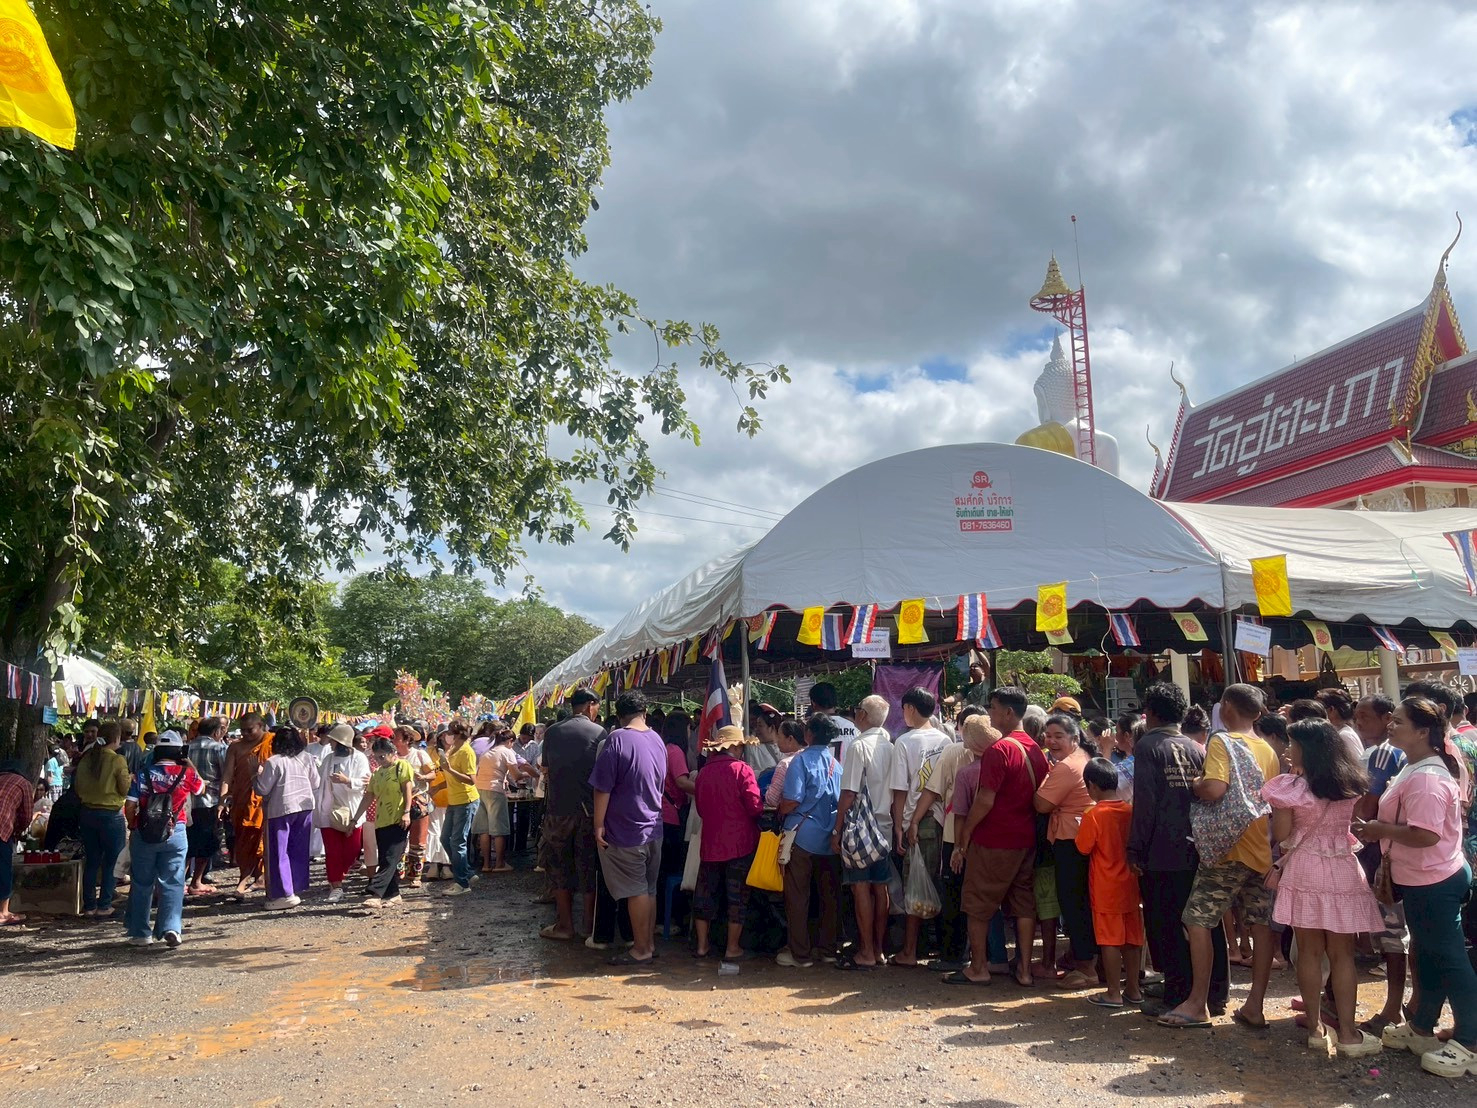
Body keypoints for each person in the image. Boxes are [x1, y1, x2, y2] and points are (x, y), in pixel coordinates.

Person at [1357, 697, 1477, 1078]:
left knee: (1450, 959)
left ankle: (1472, 1042)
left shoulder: (1426, 777)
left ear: (1424, 731)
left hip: (1435, 879)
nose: (1391, 726)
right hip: (1424, 878)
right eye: (1391, 720)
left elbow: (1425, 835)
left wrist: (1379, 830)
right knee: (1427, 955)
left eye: (1399, 722)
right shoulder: (1416, 766)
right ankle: (1422, 1026)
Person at [1161, 683, 1280, 1030]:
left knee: (1197, 918)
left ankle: (1197, 1002)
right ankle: (1255, 1004)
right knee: (1260, 923)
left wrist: (1195, 783)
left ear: (1226, 707)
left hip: (1227, 849)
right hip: (1259, 846)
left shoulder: (1221, 741)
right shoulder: (1267, 749)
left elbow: (1214, 789)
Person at [1263, 719, 1384, 1058]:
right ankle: (1348, 1033)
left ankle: (1316, 1028)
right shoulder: (1351, 784)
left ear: (1307, 749)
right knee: (1343, 954)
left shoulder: (1290, 788)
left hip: (1304, 870)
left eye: (1293, 744)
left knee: (1310, 952)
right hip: (1343, 866)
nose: (1288, 750)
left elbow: (1284, 836)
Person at [1127, 682, 1221, 1019]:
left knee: (1166, 922)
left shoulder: (1148, 746)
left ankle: (1177, 992)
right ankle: (1213, 990)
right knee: (1201, 922)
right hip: (1196, 846)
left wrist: (1135, 848)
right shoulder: (1196, 748)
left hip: (1161, 848)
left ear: (1149, 713)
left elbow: (1145, 803)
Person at [948, 687, 1050, 987]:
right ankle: (1025, 971)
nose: (988, 714)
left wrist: (964, 836)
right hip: (1026, 838)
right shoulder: (1034, 748)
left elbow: (984, 800)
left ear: (1008, 712)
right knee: (1024, 904)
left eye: (992, 708)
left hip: (994, 839)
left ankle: (978, 968)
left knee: (978, 904)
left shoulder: (999, 750)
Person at [916, 708, 998, 972]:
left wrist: (913, 822)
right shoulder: (1000, 759)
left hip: (955, 836)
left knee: (954, 894)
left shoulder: (955, 756)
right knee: (983, 896)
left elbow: (933, 790)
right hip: (988, 838)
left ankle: (953, 954)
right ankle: (987, 956)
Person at [589, 691, 667, 966]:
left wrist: (598, 825)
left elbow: (603, 787)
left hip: (627, 829)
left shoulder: (617, 739)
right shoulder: (657, 739)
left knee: (636, 891)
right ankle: (650, 943)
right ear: (644, 712)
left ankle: (641, 948)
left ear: (620, 716)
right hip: (654, 826)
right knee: (649, 889)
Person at [1352, 692, 1410, 1035]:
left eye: (1365, 716)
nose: (1359, 723)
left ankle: (1393, 1008)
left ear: (1388, 717)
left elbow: (1367, 807)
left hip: (1384, 855)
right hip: (1395, 853)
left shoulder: (1384, 754)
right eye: (1356, 716)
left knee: (1393, 934)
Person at [1034, 712, 1097, 988]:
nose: (1052, 741)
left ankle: (1086, 968)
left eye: (1059, 736)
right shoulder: (1080, 758)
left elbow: (1041, 804)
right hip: (1080, 835)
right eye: (1048, 736)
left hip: (1070, 839)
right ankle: (1082, 957)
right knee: (1080, 901)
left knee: (1074, 902)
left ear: (1074, 738)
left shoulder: (1066, 767)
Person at [834, 694, 896, 969]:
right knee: (880, 888)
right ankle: (879, 950)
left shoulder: (859, 746)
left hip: (861, 829)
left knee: (860, 888)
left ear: (862, 715)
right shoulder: (891, 744)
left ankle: (866, 951)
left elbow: (848, 792)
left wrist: (837, 829)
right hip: (885, 826)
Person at [124, 733, 204, 948]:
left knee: (142, 883)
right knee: (173, 881)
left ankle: (141, 933)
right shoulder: (186, 774)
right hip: (175, 832)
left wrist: (133, 825)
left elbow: (130, 806)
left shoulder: (142, 775)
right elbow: (200, 788)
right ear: (179, 752)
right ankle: (171, 928)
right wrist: (187, 762)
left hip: (145, 833)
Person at [889, 685, 949, 967]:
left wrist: (900, 825)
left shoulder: (904, 742)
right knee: (935, 881)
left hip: (916, 821)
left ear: (910, 709)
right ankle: (932, 944)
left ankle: (910, 950)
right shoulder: (945, 740)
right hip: (942, 820)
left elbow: (900, 789)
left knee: (914, 884)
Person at [1077, 756, 1143, 1008]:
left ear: (1092, 786)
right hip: (1131, 884)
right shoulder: (1130, 810)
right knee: (1132, 938)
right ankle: (1134, 990)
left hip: (1106, 887)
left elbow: (1083, 847)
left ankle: (1113, 992)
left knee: (1109, 940)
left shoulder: (1093, 814)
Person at [537, 689, 604, 940]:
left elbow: (545, 769)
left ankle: (565, 925)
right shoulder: (599, 733)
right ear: (590, 705)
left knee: (559, 868)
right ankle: (589, 926)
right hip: (589, 811)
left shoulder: (553, 732)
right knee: (588, 867)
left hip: (558, 812)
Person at [692, 724, 762, 960]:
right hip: (740, 844)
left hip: (710, 844)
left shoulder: (703, 773)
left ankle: (702, 946)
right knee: (737, 897)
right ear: (735, 747)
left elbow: (701, 809)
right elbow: (755, 807)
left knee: (704, 895)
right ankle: (733, 948)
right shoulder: (742, 770)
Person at [778, 713, 842, 968]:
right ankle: (827, 948)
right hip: (829, 838)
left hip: (802, 836)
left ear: (808, 734)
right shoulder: (836, 764)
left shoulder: (800, 761)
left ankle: (800, 953)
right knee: (828, 897)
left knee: (797, 897)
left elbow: (792, 799)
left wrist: (782, 809)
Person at [254, 724, 321, 910]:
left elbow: (262, 789)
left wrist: (256, 774)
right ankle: (295, 887)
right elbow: (316, 782)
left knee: (278, 852)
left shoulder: (273, 761)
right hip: (305, 807)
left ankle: (285, 893)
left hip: (281, 809)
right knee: (298, 850)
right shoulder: (307, 758)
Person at [73, 720, 131, 918]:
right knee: (112, 861)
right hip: (111, 815)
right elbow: (124, 788)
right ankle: (105, 904)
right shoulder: (117, 760)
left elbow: (78, 787)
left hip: (87, 813)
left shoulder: (86, 758)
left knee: (92, 860)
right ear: (116, 738)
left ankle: (89, 906)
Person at [315, 723, 371, 903]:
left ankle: (345, 871)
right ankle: (336, 886)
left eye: (333, 740)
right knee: (332, 852)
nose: (330, 743)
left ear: (341, 742)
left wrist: (347, 781)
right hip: (328, 811)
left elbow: (365, 782)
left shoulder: (359, 758)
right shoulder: (328, 759)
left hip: (352, 812)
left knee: (351, 851)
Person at [356, 738, 414, 908]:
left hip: (398, 819)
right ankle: (393, 894)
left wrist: (407, 812)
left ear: (391, 753)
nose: (379, 760)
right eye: (376, 757)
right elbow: (368, 796)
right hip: (381, 821)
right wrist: (355, 818)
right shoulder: (378, 773)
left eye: (382, 757)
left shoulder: (401, 766)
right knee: (386, 858)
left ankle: (375, 893)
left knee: (390, 857)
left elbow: (407, 789)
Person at [223, 711, 272, 900]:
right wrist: (222, 800)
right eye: (242, 730)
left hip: (265, 801)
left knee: (262, 841)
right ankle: (253, 876)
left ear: (261, 726)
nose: (245, 734)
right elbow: (227, 775)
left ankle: (255, 879)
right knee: (244, 841)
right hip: (242, 800)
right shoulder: (235, 748)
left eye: (250, 730)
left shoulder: (273, 742)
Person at [185, 716, 229, 896]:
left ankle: (180, 882)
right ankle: (196, 881)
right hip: (209, 802)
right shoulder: (219, 748)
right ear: (216, 732)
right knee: (207, 843)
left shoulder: (185, 748)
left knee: (187, 844)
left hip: (187, 804)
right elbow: (227, 774)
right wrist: (224, 802)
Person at [475, 727, 528, 874]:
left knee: (484, 830)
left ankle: (486, 864)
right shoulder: (507, 752)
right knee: (499, 829)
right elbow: (516, 775)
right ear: (510, 741)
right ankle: (499, 863)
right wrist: (527, 774)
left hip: (480, 789)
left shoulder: (488, 752)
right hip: (495, 790)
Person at [437, 721, 481, 896]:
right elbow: (450, 775)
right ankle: (467, 873)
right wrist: (438, 785)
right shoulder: (452, 750)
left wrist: (448, 768)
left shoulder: (466, 751)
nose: (446, 735)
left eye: (449, 732)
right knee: (445, 838)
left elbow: (471, 780)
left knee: (457, 841)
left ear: (457, 734)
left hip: (466, 800)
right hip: (454, 800)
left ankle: (462, 883)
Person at [659, 710, 695, 896]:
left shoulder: (665, 748)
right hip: (671, 814)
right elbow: (682, 782)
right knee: (671, 866)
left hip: (663, 812)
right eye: (689, 728)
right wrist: (706, 790)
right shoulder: (675, 752)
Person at [0, 759, 32, 925]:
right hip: (1, 827)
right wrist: (17, 832)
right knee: (3, 869)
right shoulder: (23, 783)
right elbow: (26, 815)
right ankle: (2, 912)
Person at [810, 681, 858, 764]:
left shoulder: (812, 728)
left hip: (821, 775)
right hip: (847, 775)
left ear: (813, 703)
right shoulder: (853, 727)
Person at [762, 716, 804, 809]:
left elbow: (772, 799)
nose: (777, 741)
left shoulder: (785, 765)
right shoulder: (813, 759)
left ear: (790, 739)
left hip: (794, 818)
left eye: (779, 736)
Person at [1317, 688, 1366, 763]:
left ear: (1331, 709)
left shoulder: (1344, 735)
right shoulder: (1337, 733)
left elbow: (1359, 765)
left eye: (1319, 709)